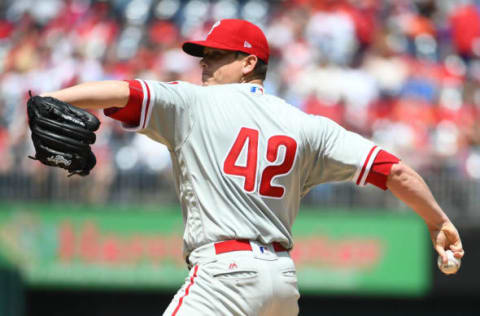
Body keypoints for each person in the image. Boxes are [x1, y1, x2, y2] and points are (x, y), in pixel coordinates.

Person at [39, 19, 464, 316]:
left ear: (248, 63)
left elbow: (120, 90)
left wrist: (53, 97)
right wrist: (437, 220)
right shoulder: (309, 126)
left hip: (225, 276)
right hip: (281, 285)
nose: (204, 62)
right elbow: (395, 172)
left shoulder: (193, 103)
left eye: (217, 55)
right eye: (204, 55)